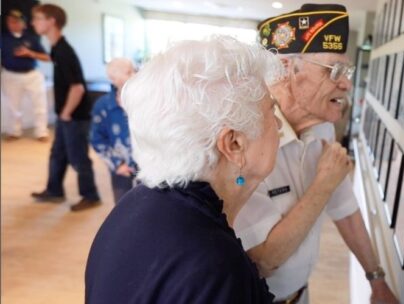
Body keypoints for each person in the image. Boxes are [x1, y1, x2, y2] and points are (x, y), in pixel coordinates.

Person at [85, 36, 286, 303]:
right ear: (234, 144)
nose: (280, 125)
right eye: (271, 111)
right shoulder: (215, 265)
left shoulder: (136, 202)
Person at [231, 4, 399, 304]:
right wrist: (323, 183)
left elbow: (344, 204)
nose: (346, 84)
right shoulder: (244, 141)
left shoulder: (320, 126)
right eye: (334, 70)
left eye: (346, 71)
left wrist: (377, 279)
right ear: (287, 69)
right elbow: (265, 260)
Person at [29, 3, 101, 211]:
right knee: (58, 153)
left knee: (78, 157)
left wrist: (67, 113)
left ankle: (91, 196)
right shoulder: (56, 47)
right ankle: (54, 191)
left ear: (51, 21)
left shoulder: (64, 51)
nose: (34, 22)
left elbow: (77, 88)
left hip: (75, 116)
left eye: (38, 18)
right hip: (66, 115)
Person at [89, 58, 137, 204]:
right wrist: (117, 163)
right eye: (129, 72)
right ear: (113, 78)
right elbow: (97, 139)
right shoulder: (103, 106)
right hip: (120, 169)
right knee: (122, 208)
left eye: (134, 70)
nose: (134, 75)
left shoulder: (146, 101)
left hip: (148, 169)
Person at [1, 9, 50, 141]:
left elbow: (47, 57)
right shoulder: (3, 38)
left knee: (40, 105)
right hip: (10, 75)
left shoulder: (32, 39)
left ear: (24, 24)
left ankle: (41, 132)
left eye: (16, 21)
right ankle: (14, 131)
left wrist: (30, 53)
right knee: (12, 106)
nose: (13, 24)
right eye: (10, 21)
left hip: (32, 75)